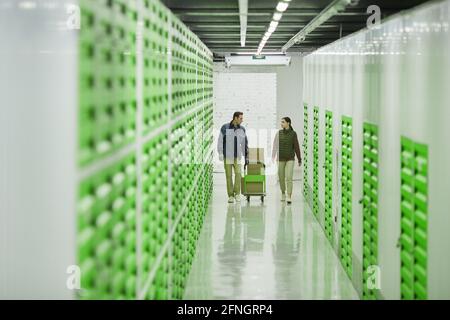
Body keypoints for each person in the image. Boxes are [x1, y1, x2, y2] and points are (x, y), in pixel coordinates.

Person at [217, 112, 249, 203]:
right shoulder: (225, 127)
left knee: (238, 174)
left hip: (237, 156)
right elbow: (220, 140)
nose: (242, 120)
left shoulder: (242, 129)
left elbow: (244, 143)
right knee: (229, 176)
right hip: (228, 155)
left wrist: (246, 156)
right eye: (240, 118)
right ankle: (230, 195)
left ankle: (237, 193)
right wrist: (220, 152)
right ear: (235, 118)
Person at [272, 117, 302, 204]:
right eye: (281, 122)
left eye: (283, 122)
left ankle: (289, 196)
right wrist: (273, 156)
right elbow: (275, 145)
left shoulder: (293, 134)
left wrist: (299, 159)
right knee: (281, 177)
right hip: (280, 158)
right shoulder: (279, 133)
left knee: (289, 177)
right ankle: (283, 193)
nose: (281, 124)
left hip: (290, 159)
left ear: (288, 123)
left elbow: (296, 147)